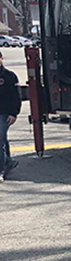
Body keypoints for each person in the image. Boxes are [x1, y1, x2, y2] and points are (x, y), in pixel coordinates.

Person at [0, 50, 21, 181]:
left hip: (4, 113)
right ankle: (7, 161)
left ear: (1, 58)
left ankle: (1, 171)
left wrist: (14, 113)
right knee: (2, 140)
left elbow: (16, 97)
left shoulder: (9, 76)